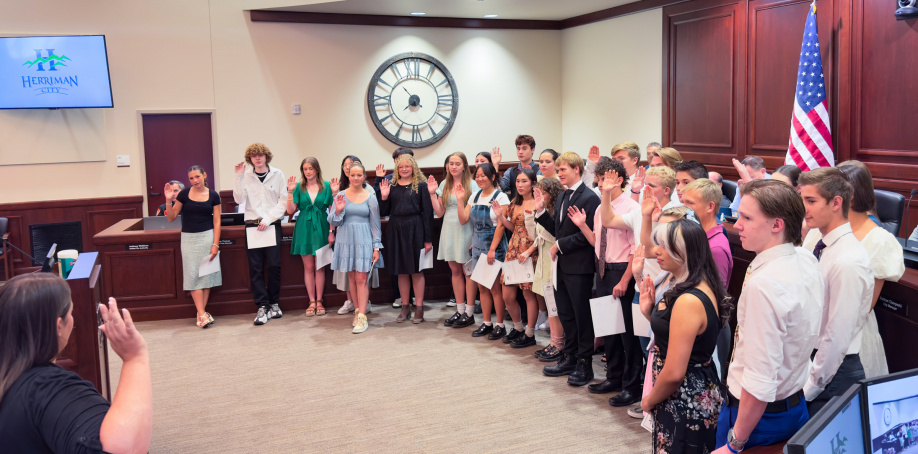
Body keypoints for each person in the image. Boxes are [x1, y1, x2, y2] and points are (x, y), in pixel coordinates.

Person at [714, 180, 824, 453]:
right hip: (794, 404)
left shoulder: (765, 283)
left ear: (777, 225)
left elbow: (759, 378)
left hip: (756, 417)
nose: (736, 224)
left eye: (747, 218)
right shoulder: (804, 258)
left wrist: (735, 443)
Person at [0, 274, 152, 453]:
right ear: (58, 326)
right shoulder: (48, 388)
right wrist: (134, 358)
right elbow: (123, 449)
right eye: (71, 313)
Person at [639, 218, 730, 453]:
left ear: (683, 252)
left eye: (664, 247)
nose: (656, 251)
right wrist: (649, 312)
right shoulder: (689, 281)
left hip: (685, 397)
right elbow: (678, 335)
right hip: (686, 393)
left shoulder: (689, 299)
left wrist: (649, 400)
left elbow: (675, 373)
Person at [798, 167, 874, 415]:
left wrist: (809, 388)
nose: (804, 209)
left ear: (836, 203)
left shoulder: (848, 260)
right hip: (816, 363)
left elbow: (837, 336)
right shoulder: (823, 246)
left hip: (834, 374)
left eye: (811, 201)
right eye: (802, 200)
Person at [574, 160, 641, 404]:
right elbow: (596, 241)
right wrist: (582, 227)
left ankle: (631, 385)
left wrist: (625, 280)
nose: (601, 184)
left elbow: (636, 250)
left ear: (620, 180)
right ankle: (613, 376)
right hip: (601, 268)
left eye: (606, 180)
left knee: (627, 333)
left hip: (621, 270)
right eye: (600, 180)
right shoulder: (602, 207)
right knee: (608, 328)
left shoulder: (631, 207)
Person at [534, 152, 601, 386]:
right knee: (566, 313)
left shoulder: (590, 198)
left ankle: (585, 364)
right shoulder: (563, 196)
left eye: (563, 169)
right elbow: (558, 230)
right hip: (561, 265)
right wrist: (541, 212)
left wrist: (561, 244)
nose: (559, 173)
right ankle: (570, 357)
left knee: (582, 317)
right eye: (559, 169)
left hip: (579, 266)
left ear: (577, 169)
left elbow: (589, 235)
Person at [835, 161, 904, 378]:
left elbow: (863, 306)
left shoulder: (879, 240)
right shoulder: (823, 229)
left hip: (852, 343)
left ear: (849, 195)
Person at [233, 143, 287, 326]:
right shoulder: (245, 176)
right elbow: (239, 199)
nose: (257, 158)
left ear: (266, 157)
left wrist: (269, 219)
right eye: (254, 156)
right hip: (252, 227)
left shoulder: (277, 174)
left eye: (260, 155)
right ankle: (262, 306)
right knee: (256, 268)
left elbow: (282, 202)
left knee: (274, 266)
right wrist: (238, 177)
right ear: (250, 159)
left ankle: (274, 303)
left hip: (271, 225)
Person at [378, 154, 433, 324]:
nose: (404, 169)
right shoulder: (392, 186)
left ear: (413, 167)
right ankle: (405, 307)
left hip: (416, 228)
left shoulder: (421, 186)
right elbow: (383, 211)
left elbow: (427, 214)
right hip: (396, 229)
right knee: (401, 270)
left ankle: (419, 308)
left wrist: (428, 239)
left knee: (416, 270)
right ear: (397, 169)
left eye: (407, 166)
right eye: (401, 167)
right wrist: (384, 197)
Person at [165, 165, 222, 328]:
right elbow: (171, 217)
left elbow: (217, 221)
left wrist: (215, 244)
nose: (195, 180)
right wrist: (169, 200)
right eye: (191, 178)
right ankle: (203, 314)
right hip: (189, 239)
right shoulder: (183, 194)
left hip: (207, 238)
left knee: (206, 276)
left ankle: (200, 314)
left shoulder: (213, 195)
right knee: (193, 276)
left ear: (204, 175)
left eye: (197, 176)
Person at [329, 162, 382, 334]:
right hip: (345, 240)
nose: (356, 178)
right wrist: (338, 210)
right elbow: (333, 222)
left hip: (364, 240)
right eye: (353, 175)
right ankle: (358, 310)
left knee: (361, 278)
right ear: (348, 176)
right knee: (352, 278)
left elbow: (375, 225)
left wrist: (376, 247)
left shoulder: (370, 197)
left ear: (364, 177)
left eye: (359, 175)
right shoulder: (341, 195)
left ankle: (362, 317)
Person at [429, 152, 479, 328]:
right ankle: (460, 309)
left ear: (464, 166)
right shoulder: (444, 183)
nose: (453, 166)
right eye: (451, 163)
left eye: (457, 163)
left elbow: (475, 213)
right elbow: (440, 212)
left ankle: (470, 312)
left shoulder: (472, 184)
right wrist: (432, 194)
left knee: (468, 271)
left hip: (466, 228)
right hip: (448, 228)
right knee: (455, 270)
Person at [494, 167, 539, 348]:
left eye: (524, 181)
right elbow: (513, 228)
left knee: (528, 294)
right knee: (507, 294)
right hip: (513, 249)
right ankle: (518, 327)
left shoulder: (538, 203)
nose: (520, 185)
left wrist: (530, 251)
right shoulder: (514, 202)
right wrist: (501, 218)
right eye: (518, 181)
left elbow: (541, 233)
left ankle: (530, 333)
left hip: (529, 251)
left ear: (533, 183)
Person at [287, 157, 335, 317]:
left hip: (321, 226)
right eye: (305, 169)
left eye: (310, 169)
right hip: (304, 228)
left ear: (316, 170)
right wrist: (289, 192)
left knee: (320, 267)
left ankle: (320, 301)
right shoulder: (298, 187)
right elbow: (290, 210)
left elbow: (333, 210)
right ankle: (311, 301)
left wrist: (331, 231)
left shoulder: (326, 186)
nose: (308, 172)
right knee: (308, 267)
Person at [530, 177, 565, 361]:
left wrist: (540, 210)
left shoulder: (557, 210)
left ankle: (558, 343)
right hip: (543, 256)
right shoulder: (542, 208)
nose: (540, 195)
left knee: (555, 305)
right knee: (550, 302)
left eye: (543, 192)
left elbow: (554, 233)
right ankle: (553, 342)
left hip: (553, 258)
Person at [491, 134, 541, 200]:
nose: (520, 152)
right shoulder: (510, 171)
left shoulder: (539, 171)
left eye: (524, 148)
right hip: (515, 206)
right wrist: (495, 165)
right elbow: (500, 188)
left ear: (533, 150)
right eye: (518, 148)